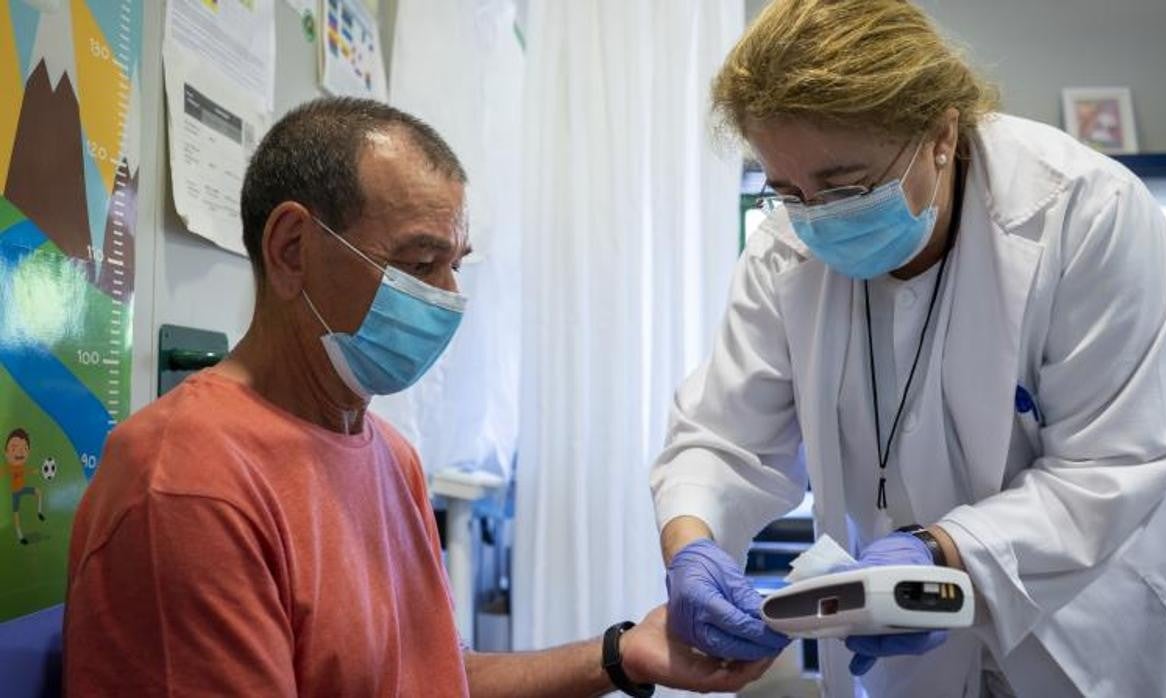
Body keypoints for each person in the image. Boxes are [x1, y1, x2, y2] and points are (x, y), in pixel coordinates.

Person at [64, 98, 771, 697]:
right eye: (419, 263)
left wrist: (618, 655)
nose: (449, 299)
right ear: (290, 249)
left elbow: (429, 676)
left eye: (455, 266)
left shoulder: (388, 456)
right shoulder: (187, 483)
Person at [651, 1, 1166, 696]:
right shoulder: (784, 255)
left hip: (1111, 629)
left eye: (846, 186)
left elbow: (1118, 461)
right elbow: (725, 439)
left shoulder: (1085, 215)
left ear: (940, 133)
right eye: (786, 191)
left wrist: (937, 555)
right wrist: (691, 546)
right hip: (914, 651)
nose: (814, 218)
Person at [6, 428, 44, 545]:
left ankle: (39, 512)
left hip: (22, 489)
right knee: (16, 513)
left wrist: (34, 471)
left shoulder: (22, 466)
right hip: (16, 492)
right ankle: (20, 535)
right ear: (6, 452)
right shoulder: (11, 467)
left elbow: (26, 470)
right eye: (14, 448)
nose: (20, 452)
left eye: (24, 449)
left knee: (38, 492)